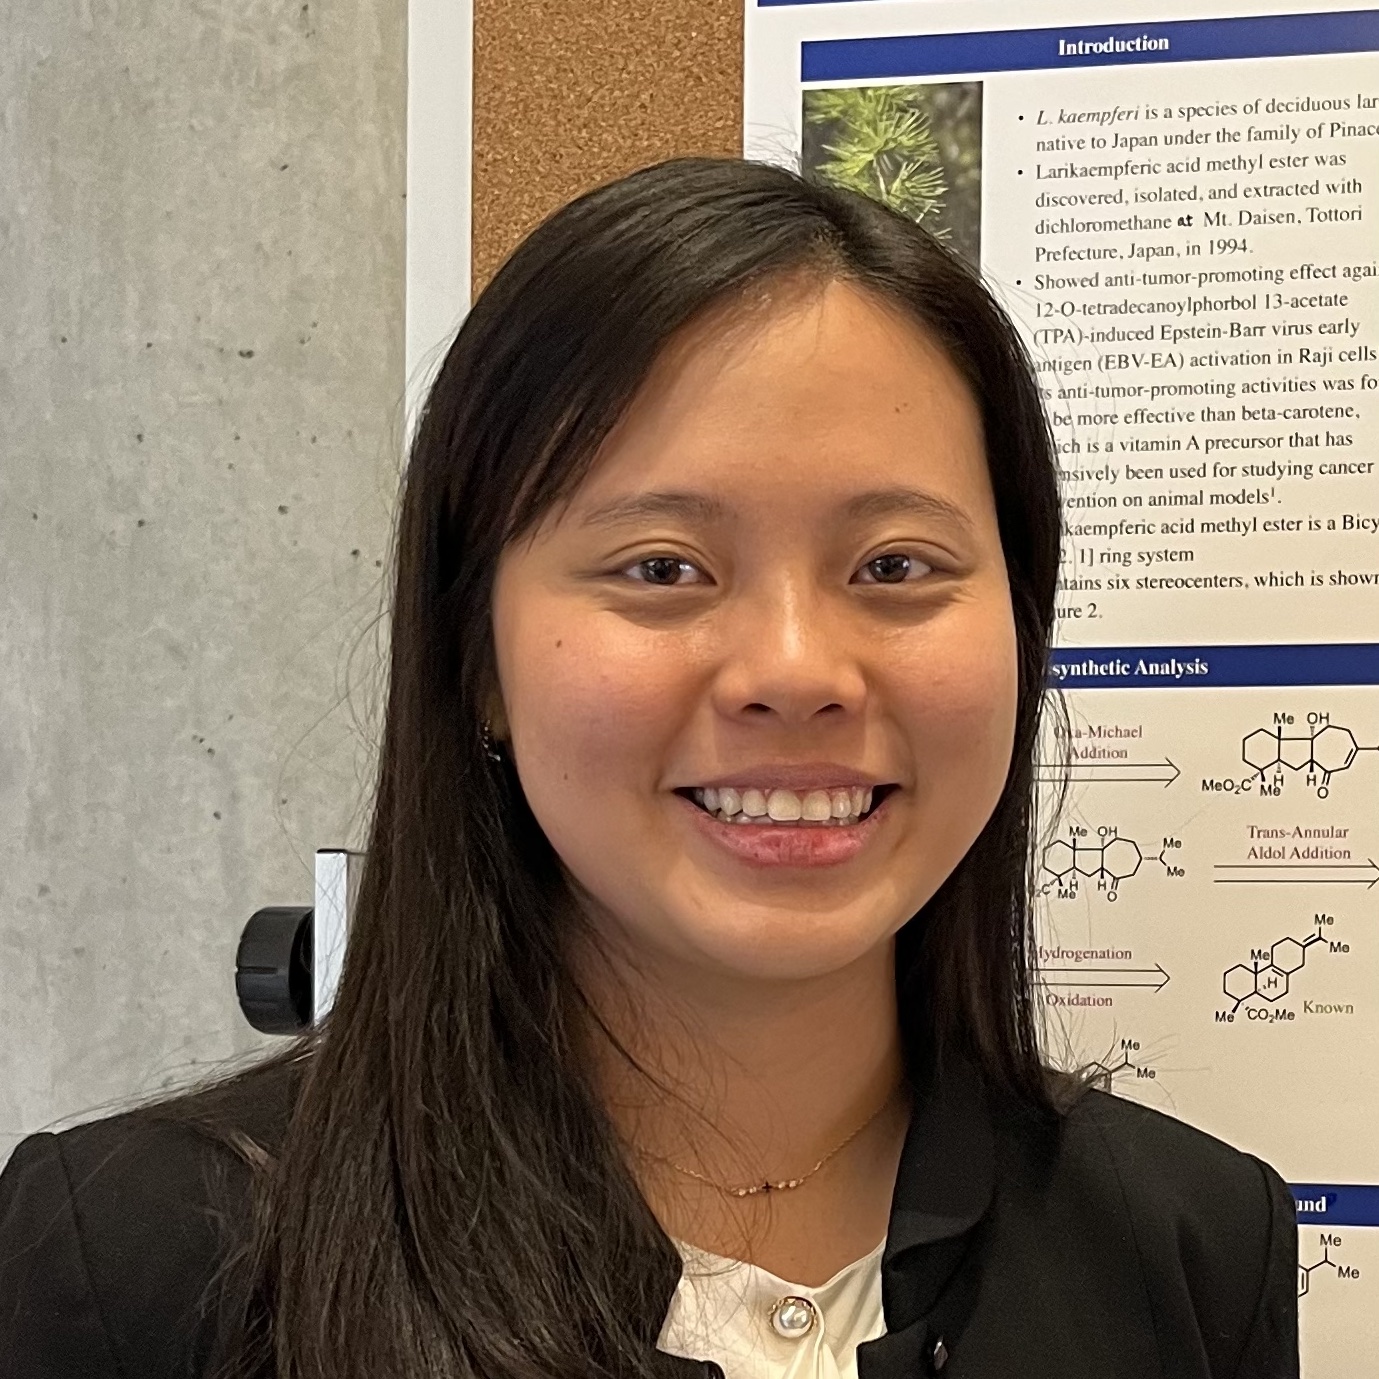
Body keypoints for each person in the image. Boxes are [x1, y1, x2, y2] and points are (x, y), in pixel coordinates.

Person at [0, 157, 1297, 1379]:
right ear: (479, 657)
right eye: (663, 567)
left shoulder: (1190, 1248)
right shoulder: (135, 1261)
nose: (797, 668)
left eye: (895, 566)